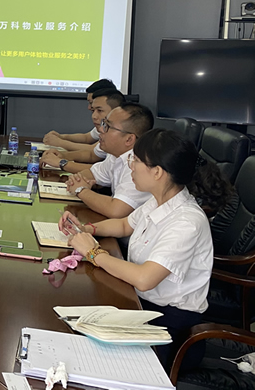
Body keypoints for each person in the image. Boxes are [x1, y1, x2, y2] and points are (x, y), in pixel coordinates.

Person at [61, 128, 233, 365]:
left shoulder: (187, 222)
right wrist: (86, 229)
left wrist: (93, 253)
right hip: (142, 303)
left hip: (169, 328)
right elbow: (124, 225)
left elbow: (144, 279)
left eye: (136, 160)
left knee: (83, 350)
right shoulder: (160, 200)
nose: (130, 166)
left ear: (158, 172)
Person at [64, 103, 154, 218]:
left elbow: (116, 210)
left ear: (129, 139)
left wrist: (81, 190)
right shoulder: (115, 155)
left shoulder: (141, 164)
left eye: (108, 126)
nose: (101, 129)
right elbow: (91, 173)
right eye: (103, 123)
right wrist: (77, 181)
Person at [40, 89, 125, 173]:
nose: (94, 116)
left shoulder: (121, 138)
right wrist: (63, 155)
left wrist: (62, 162)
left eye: (99, 110)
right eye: (93, 110)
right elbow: (92, 155)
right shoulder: (105, 131)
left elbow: (101, 171)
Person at [43, 79, 117, 151]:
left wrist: (59, 143)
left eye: (91, 103)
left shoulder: (116, 128)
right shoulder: (103, 124)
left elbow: (93, 151)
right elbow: (87, 138)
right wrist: (60, 137)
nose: (89, 107)